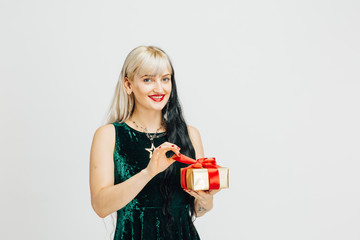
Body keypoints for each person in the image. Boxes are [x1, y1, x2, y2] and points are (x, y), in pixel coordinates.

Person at [89, 45, 220, 240]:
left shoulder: (190, 134)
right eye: (148, 79)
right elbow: (100, 206)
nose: (159, 88)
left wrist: (207, 199)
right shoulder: (109, 135)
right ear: (128, 85)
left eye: (165, 79)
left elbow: (199, 210)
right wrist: (148, 173)